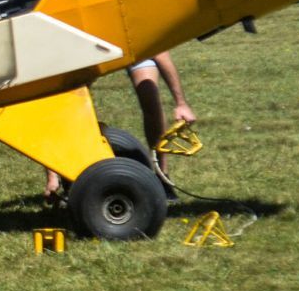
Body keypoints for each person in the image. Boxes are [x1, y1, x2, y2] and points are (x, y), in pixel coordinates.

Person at [41, 50, 197, 204]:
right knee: (72, 100)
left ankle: (163, 178)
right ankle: (68, 178)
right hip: (97, 46)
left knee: (150, 96)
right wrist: (52, 176)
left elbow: (160, 54)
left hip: (131, 45)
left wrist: (181, 103)